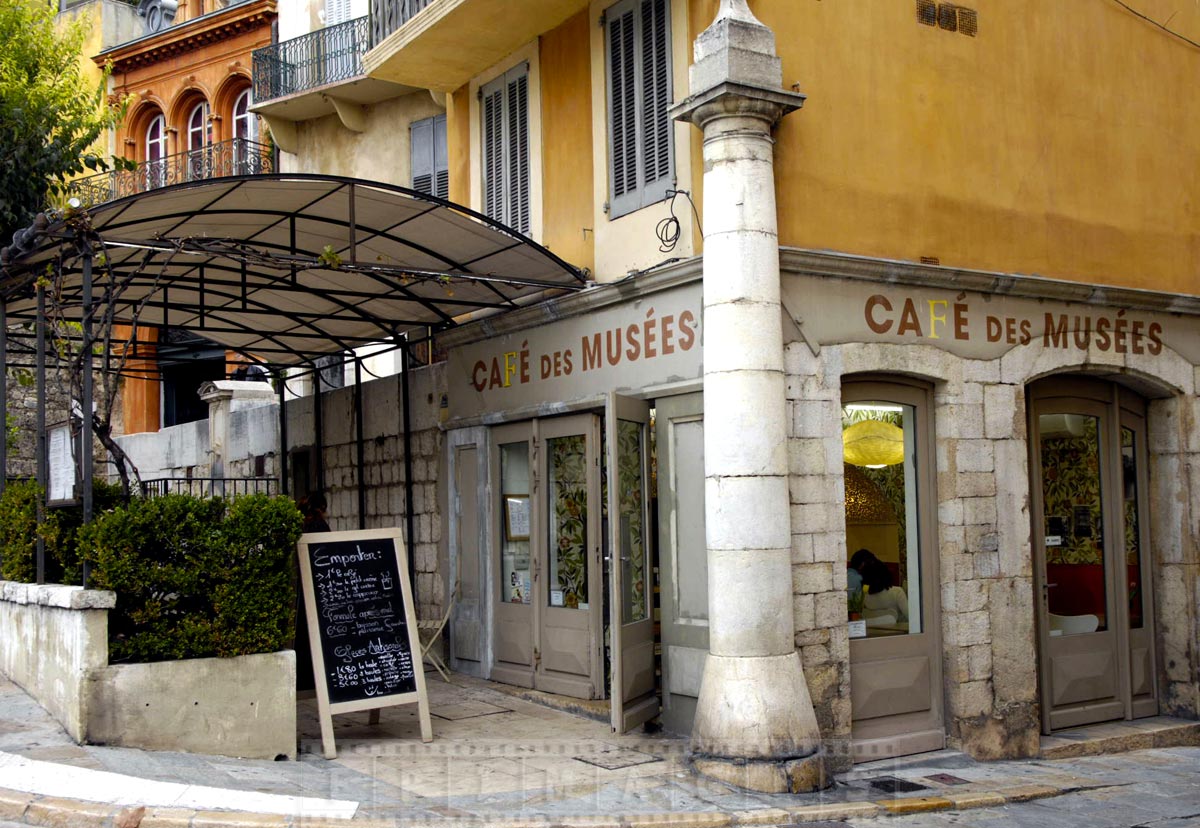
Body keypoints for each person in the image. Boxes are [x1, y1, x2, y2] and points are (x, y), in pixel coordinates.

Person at [862, 557, 908, 623]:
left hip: (873, 632)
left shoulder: (864, 596)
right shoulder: (897, 592)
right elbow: (910, 616)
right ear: (885, 574)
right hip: (899, 631)